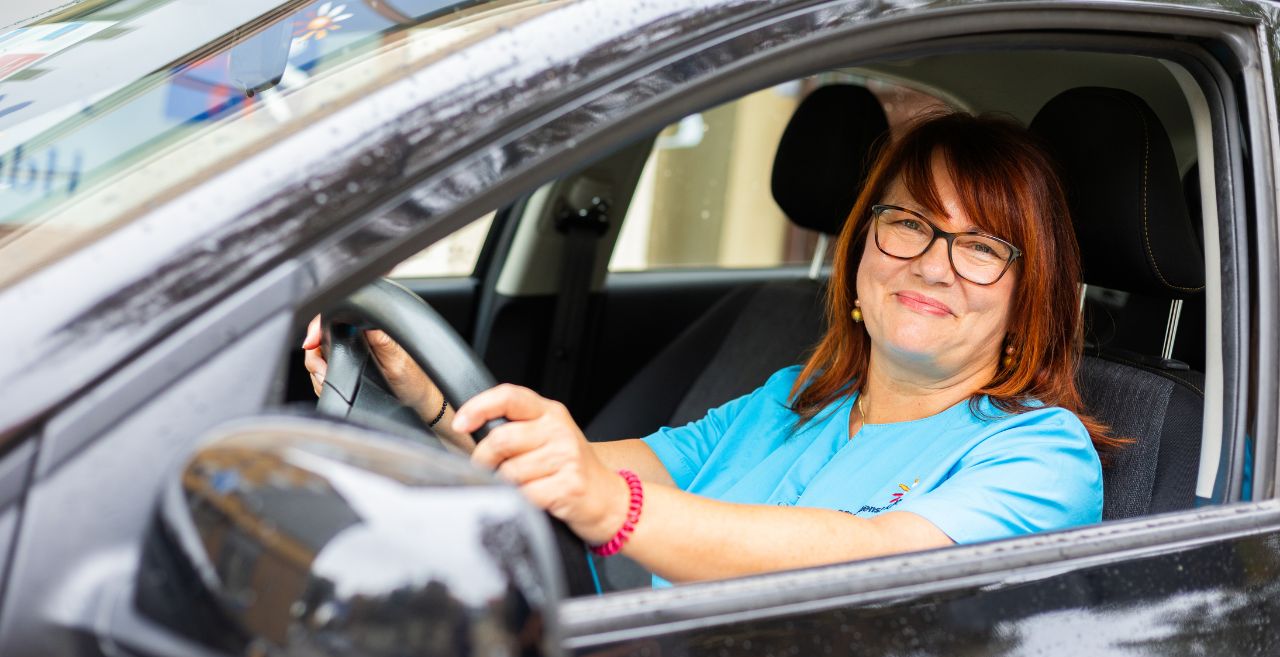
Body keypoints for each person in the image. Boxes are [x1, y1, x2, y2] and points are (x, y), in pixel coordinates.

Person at [303, 111, 1112, 587]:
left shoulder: (1041, 454)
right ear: (863, 249)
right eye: (910, 223)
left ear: (1027, 295)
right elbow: (578, 469)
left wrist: (610, 506)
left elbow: (875, 564)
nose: (933, 264)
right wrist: (430, 403)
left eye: (982, 247)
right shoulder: (791, 399)